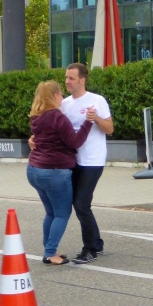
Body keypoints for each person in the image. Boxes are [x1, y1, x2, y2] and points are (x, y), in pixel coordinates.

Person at [26, 81, 92, 266]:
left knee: (51, 212)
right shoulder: (57, 117)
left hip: (34, 169)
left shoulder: (36, 117)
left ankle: (49, 248)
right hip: (54, 172)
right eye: (61, 94)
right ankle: (50, 253)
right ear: (54, 96)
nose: (62, 98)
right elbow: (75, 142)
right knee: (62, 214)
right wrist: (88, 122)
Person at [62, 63, 114, 264]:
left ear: (82, 80)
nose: (67, 81)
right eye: (66, 77)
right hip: (72, 160)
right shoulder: (65, 104)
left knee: (81, 204)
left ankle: (90, 248)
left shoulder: (97, 100)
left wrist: (96, 118)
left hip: (93, 160)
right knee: (78, 204)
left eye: (71, 78)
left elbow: (110, 129)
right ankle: (97, 243)